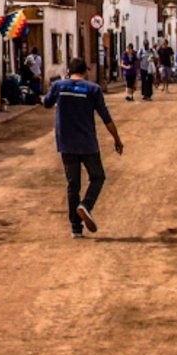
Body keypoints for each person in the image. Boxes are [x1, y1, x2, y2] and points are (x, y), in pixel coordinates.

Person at [43, 58, 125, 239]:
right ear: (85, 72)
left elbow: (46, 103)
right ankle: (86, 205)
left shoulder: (59, 86)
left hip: (66, 143)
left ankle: (76, 228)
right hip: (87, 143)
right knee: (98, 177)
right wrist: (117, 139)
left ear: (68, 71)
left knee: (73, 185)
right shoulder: (92, 89)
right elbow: (106, 117)